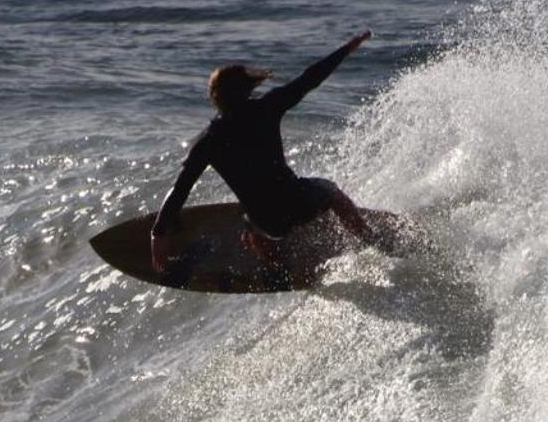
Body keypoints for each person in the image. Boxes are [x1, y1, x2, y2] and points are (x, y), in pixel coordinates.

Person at [151, 30, 392, 274]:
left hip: (269, 222)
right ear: (247, 89)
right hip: (299, 203)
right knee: (331, 191)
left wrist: (158, 232)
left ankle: (277, 268)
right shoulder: (267, 107)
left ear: (215, 98)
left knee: (252, 226)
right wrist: (347, 49)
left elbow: (180, 189)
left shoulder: (206, 142)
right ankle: (370, 239)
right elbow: (309, 78)